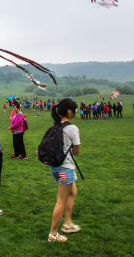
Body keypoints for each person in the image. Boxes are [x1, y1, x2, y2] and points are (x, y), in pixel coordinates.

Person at [47, 98, 81, 242]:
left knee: (73, 191)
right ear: (69, 111)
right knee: (61, 200)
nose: (75, 111)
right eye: (74, 109)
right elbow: (77, 151)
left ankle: (67, 223)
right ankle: (53, 234)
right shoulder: (72, 128)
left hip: (54, 166)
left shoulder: (56, 126)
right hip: (64, 168)